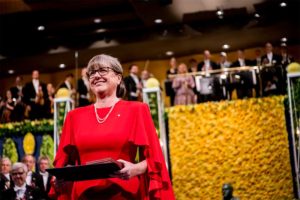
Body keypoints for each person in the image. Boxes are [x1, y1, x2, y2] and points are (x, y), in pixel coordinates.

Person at [50, 54, 175, 200]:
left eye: (103, 70)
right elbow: (63, 163)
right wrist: (61, 178)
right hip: (84, 195)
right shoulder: (73, 117)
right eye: (92, 73)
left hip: (123, 193)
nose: (96, 75)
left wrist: (135, 169)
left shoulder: (137, 109)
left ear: (118, 78)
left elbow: (155, 159)